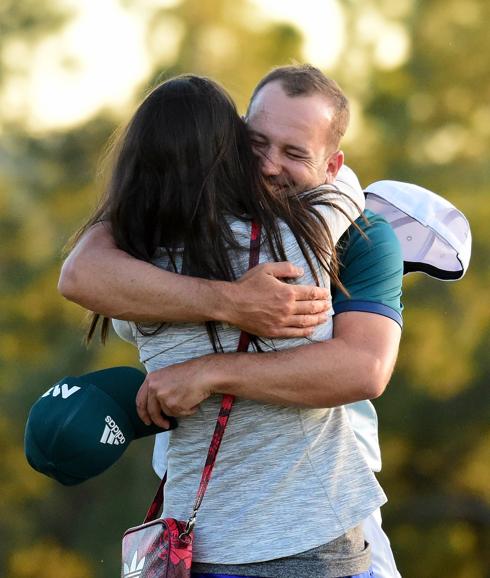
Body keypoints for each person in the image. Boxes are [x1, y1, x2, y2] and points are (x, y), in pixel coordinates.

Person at [60, 66, 403, 577]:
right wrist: (231, 302)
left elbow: (364, 370)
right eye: (256, 144)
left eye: (293, 154)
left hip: (297, 521)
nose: (267, 167)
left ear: (331, 164)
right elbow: (81, 273)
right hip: (212, 537)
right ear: (230, 142)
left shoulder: (146, 256)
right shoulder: (313, 234)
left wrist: (205, 371)